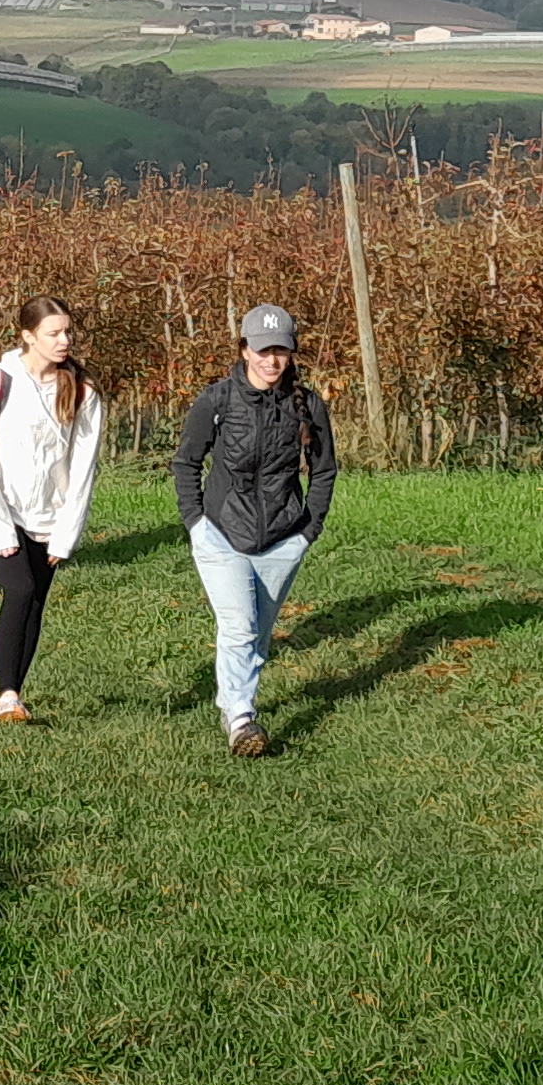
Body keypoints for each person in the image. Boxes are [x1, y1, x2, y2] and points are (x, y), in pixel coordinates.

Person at [173, 303, 337, 757]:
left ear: (291, 353)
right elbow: (187, 462)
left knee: (259, 637)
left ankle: (230, 702)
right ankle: (243, 720)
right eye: (262, 350)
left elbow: (324, 472)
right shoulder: (217, 401)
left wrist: (309, 530)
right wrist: (195, 524)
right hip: (221, 533)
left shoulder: (309, 406)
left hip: (284, 539)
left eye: (280, 350)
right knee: (239, 627)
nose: (271, 361)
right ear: (244, 349)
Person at [0, 295, 104, 723]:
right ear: (28, 336)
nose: (65, 340)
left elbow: (83, 468)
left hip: (51, 517)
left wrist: (66, 532)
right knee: (20, 589)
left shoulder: (82, 390)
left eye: (67, 332)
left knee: (36, 602)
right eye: (54, 333)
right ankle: (6, 694)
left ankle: (15, 695)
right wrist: (2, 528)